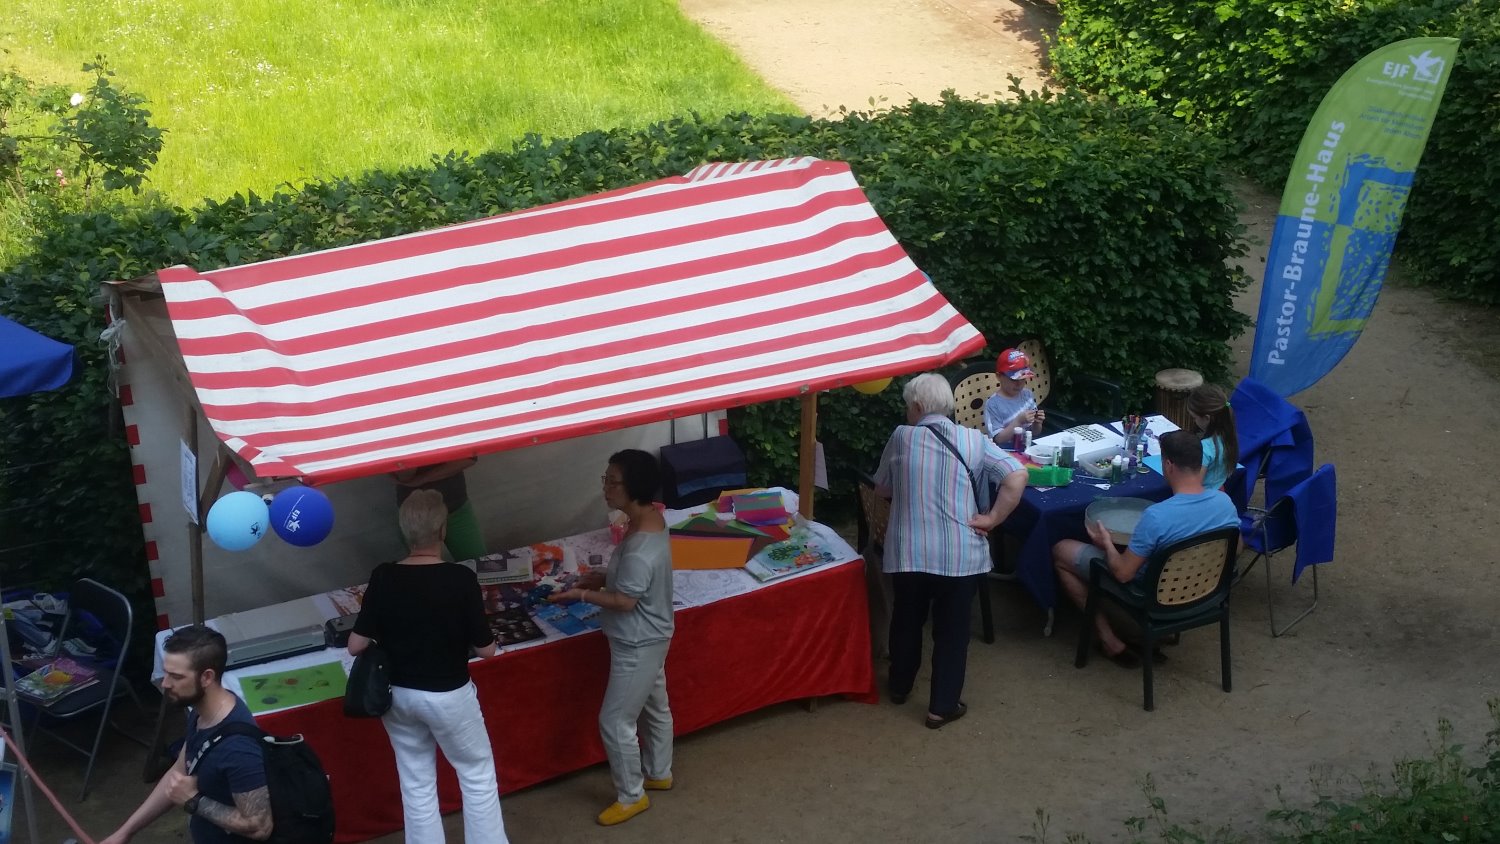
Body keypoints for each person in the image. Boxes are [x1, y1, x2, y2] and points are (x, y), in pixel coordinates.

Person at [349, 489, 507, 844]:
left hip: (398, 696)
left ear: (405, 531)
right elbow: (486, 651)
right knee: (477, 774)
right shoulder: (460, 578)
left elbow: (355, 645)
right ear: (443, 530)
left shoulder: (383, 576)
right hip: (449, 695)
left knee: (416, 782)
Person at [874, 373, 1028, 728]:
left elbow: (882, 488)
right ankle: (941, 707)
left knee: (906, 618)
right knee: (952, 631)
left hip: (909, 550)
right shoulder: (975, 440)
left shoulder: (902, 436)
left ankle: (899, 686)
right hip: (961, 554)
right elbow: (1016, 476)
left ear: (916, 407)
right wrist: (993, 518)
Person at [550, 449, 674, 826]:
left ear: (634, 487)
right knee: (655, 704)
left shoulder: (639, 547)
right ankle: (659, 772)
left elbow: (625, 600)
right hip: (652, 634)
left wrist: (581, 594)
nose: (605, 488)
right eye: (605, 479)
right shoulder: (649, 518)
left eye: (613, 482)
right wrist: (605, 576)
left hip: (637, 641)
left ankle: (632, 795)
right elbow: (634, 582)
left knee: (615, 720)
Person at [1051, 430, 1238, 667]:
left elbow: (1122, 574)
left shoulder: (1157, 516)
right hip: (1205, 592)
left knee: (1061, 550)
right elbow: (1236, 547)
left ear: (1168, 465)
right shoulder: (1225, 503)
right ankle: (1142, 632)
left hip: (1156, 595)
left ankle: (1109, 640)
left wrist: (1106, 544)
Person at [102, 625, 272, 844]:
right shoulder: (201, 712)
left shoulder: (238, 749)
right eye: (166, 673)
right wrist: (125, 832)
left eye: (176, 676)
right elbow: (179, 771)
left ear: (207, 677)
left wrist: (194, 801)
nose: (165, 683)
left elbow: (261, 826)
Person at [391, 457, 486, 561]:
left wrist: (421, 479)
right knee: (423, 567)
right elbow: (404, 477)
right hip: (416, 514)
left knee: (478, 563)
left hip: (453, 505)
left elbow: (469, 459)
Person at [983, 348, 1046, 446]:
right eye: (1014, 379)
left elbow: (1035, 433)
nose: (1019, 384)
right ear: (999, 376)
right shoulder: (993, 404)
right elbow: (998, 440)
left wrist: (1037, 423)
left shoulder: (1027, 395)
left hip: (1027, 446)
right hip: (1005, 450)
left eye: (1023, 379)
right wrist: (1018, 421)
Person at [1187, 383, 1239, 492]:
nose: (1194, 421)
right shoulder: (1228, 436)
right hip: (1219, 490)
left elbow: (1194, 485)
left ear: (1206, 418)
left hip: (1204, 497)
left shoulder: (1205, 448)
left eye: (1194, 418)